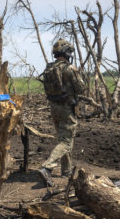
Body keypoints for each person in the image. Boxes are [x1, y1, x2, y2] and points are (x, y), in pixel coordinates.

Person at [38, 39, 85, 187]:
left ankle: (66, 170)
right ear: (67, 52)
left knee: (64, 139)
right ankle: (47, 167)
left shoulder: (49, 68)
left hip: (54, 107)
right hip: (66, 108)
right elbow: (81, 88)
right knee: (65, 141)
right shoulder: (69, 69)